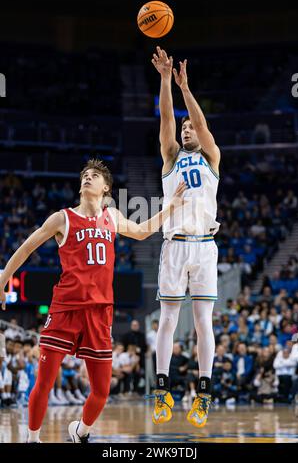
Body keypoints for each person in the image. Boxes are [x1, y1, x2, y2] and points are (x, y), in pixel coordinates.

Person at [0, 158, 186, 443]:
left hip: (100, 313)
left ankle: (80, 431)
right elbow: (26, 248)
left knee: (101, 391)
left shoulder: (112, 217)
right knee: (45, 381)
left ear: (106, 187)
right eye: (85, 174)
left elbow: (142, 231)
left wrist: (169, 207)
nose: (88, 177)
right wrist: (2, 281)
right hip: (65, 308)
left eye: (95, 175)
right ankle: (32, 438)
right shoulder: (61, 218)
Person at [151, 46, 221, 428]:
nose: (186, 128)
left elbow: (200, 122)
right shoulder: (170, 157)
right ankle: (162, 389)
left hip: (205, 246)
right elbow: (166, 118)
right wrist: (165, 81)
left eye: (191, 126)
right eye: (184, 128)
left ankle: (204, 392)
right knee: (167, 319)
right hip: (175, 245)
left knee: (203, 322)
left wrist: (185, 89)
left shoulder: (212, 155)